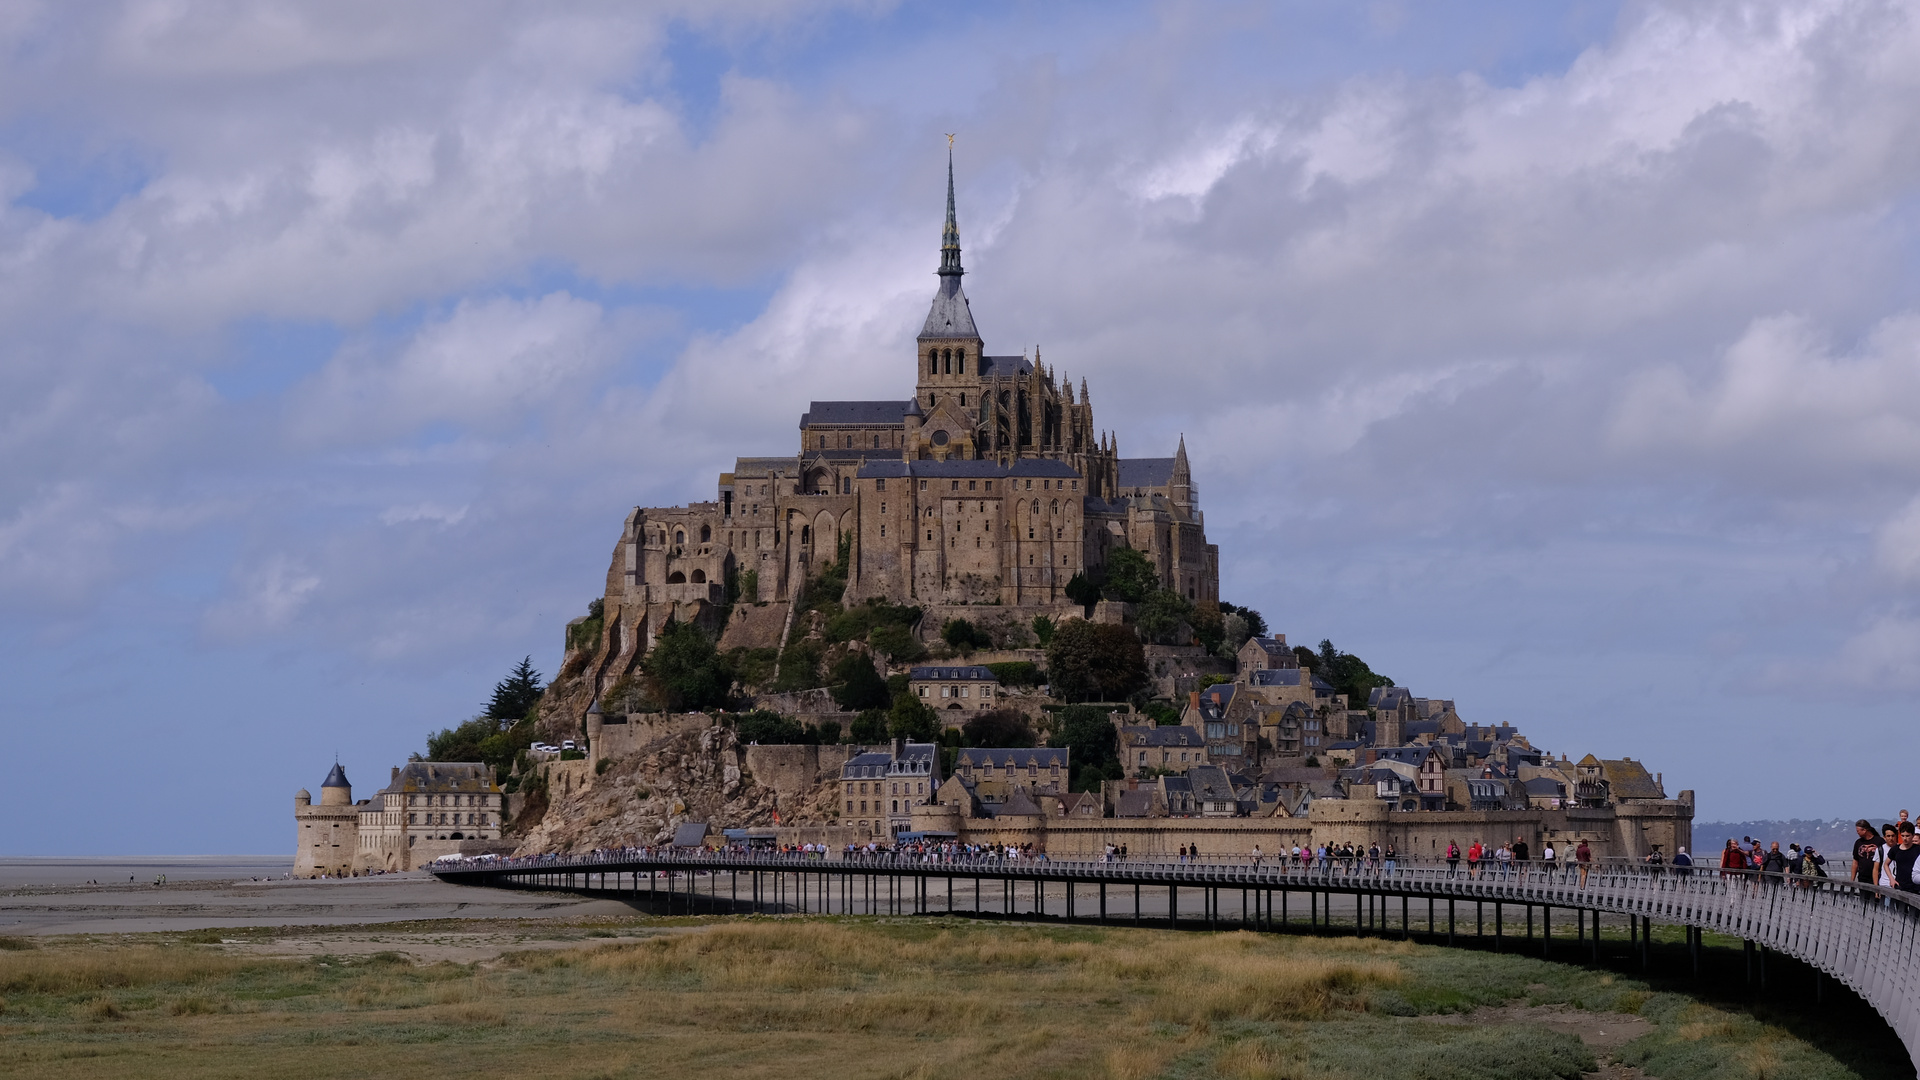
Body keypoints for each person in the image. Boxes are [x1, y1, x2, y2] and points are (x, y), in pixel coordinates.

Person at [1852, 819, 1881, 885]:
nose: (1857, 833)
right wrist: (1852, 880)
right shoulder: (1858, 843)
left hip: (1877, 877)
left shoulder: (1879, 841)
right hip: (1862, 877)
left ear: (1864, 830)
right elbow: (1855, 862)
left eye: (1858, 831)